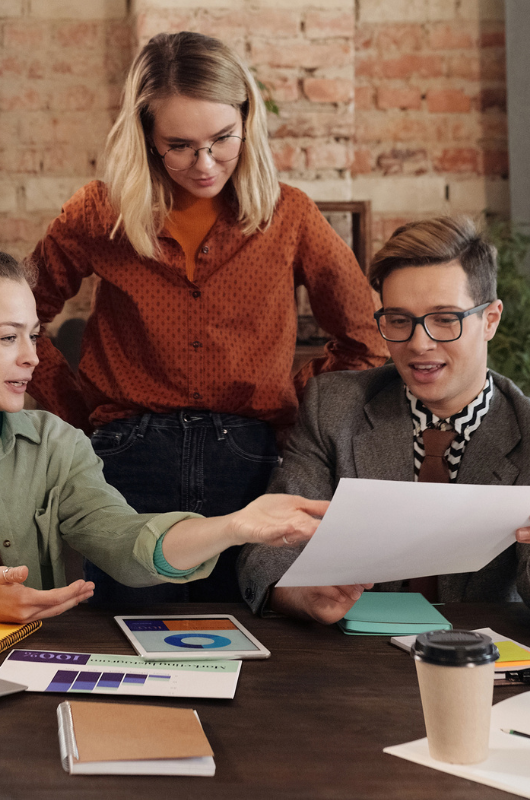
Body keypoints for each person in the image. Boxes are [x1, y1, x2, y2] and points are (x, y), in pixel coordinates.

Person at [0, 223, 329, 627]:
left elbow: (126, 541)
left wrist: (234, 526)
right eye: (7, 337)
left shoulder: (55, 445)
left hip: (23, 686)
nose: (32, 358)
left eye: (34, 335)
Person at [26, 31, 388, 605]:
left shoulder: (289, 215)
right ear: (146, 135)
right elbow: (22, 318)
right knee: (126, 639)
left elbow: (367, 340)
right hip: (126, 459)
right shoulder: (99, 213)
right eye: (180, 145)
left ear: (248, 118)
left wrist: (291, 398)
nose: (205, 163)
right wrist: (75, 417)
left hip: (247, 461)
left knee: (248, 638)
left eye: (223, 139)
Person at [237, 216, 530, 629]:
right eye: (399, 320)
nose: (419, 343)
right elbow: (268, 548)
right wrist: (300, 594)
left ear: (490, 320)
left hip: (482, 662)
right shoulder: (333, 406)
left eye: (445, 319)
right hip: (353, 660)